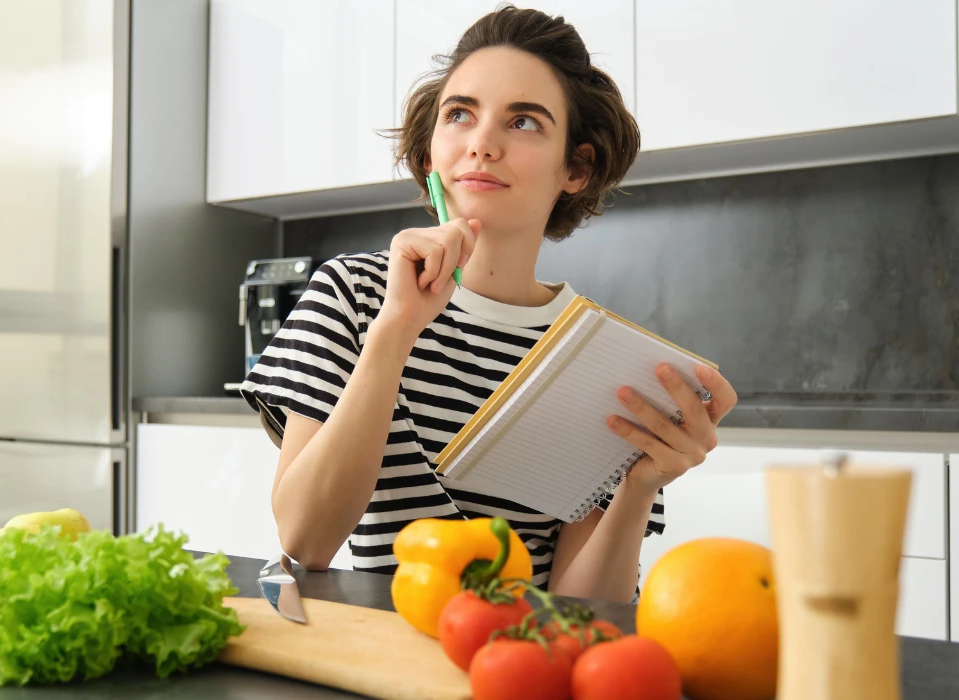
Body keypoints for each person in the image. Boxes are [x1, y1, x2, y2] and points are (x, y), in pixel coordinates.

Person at [238, 5, 737, 603]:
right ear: (429, 155)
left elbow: (582, 612)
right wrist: (394, 329)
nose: (481, 144)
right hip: (382, 655)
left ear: (576, 167)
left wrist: (638, 485)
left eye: (523, 122)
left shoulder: (599, 360)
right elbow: (304, 541)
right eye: (459, 115)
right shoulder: (353, 294)